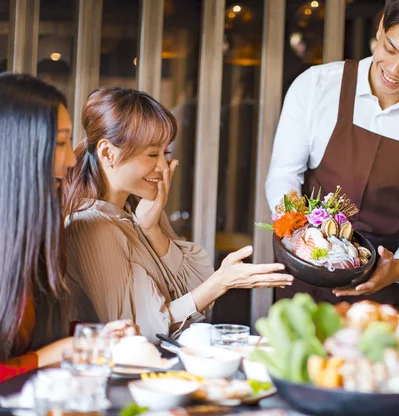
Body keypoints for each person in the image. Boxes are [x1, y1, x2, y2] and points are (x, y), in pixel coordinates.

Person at [266, 0, 399, 308]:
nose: (394, 70)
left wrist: (396, 269)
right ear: (381, 25)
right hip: (303, 272)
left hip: (381, 291)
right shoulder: (317, 86)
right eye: (389, 48)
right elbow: (284, 174)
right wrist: (303, 240)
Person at [63, 87, 293, 341]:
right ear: (108, 153)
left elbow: (192, 291)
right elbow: (138, 331)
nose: (163, 166)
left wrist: (151, 230)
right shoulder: (91, 226)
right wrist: (220, 282)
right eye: (152, 154)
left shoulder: (137, 212)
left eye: (165, 153)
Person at [0, 74, 137, 383]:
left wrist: (96, 336)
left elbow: (42, 337)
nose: (72, 159)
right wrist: (60, 351)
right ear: (19, 148)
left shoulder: (42, 233)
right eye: (60, 142)